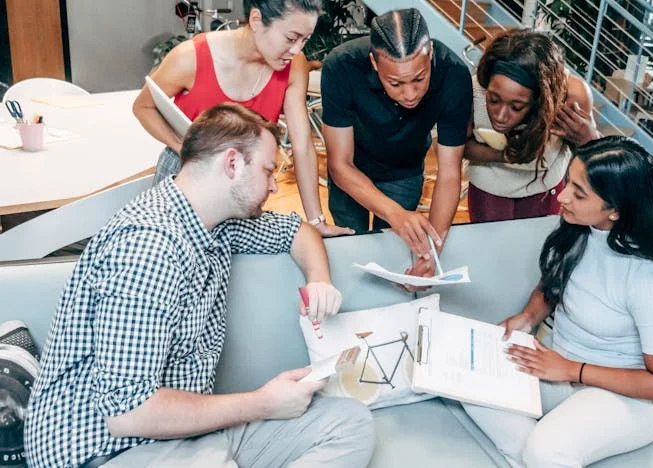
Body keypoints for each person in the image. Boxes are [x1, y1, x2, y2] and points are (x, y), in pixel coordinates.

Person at [23, 103, 374, 468]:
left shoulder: (218, 220)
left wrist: (319, 280)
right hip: (105, 450)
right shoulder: (148, 247)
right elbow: (128, 415)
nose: (273, 185)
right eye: (269, 170)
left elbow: (298, 232)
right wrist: (264, 402)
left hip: (188, 435)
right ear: (233, 163)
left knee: (350, 424)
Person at [464, 136, 653, 467]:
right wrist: (528, 317)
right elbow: (553, 283)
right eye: (569, 183)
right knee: (468, 378)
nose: (562, 197)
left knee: (546, 451)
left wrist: (573, 370)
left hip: (626, 395)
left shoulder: (651, 277)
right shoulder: (581, 229)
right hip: (561, 368)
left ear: (616, 209)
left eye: (578, 192)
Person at [132, 0, 352, 238]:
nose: (297, 50)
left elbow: (302, 146)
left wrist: (316, 221)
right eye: (291, 38)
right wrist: (187, 148)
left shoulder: (294, 65)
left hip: (243, 182)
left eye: (304, 40)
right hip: (187, 173)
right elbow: (143, 107)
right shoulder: (190, 57)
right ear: (256, 20)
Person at [321, 8, 472, 278]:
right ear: (374, 63)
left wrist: (432, 251)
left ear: (431, 55)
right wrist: (395, 213)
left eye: (419, 78)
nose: (410, 94)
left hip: (405, 171)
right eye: (395, 83)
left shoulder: (454, 75)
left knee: (394, 254)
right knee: (352, 251)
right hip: (352, 172)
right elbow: (339, 164)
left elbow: (450, 172)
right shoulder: (341, 66)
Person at [464, 29, 599, 223]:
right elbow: (460, 147)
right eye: (493, 100)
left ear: (541, 100)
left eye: (516, 107)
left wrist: (589, 140)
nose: (500, 116)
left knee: (537, 249)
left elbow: (593, 163)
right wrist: (505, 155)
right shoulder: (474, 89)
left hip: (545, 186)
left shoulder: (572, 96)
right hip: (490, 184)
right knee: (492, 251)